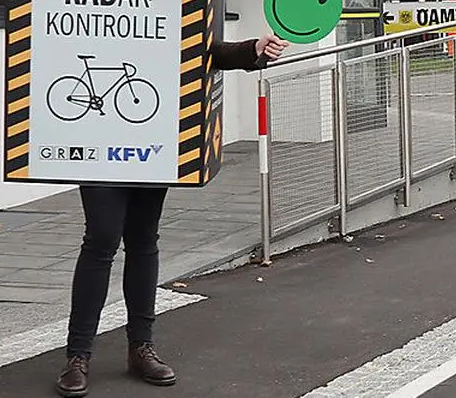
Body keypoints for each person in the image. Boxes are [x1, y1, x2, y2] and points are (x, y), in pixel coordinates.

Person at [56, 34, 289, 398]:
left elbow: (201, 46)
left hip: (151, 140)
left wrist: (251, 49)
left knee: (143, 240)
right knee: (101, 238)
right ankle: (77, 356)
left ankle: (141, 348)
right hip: (97, 142)